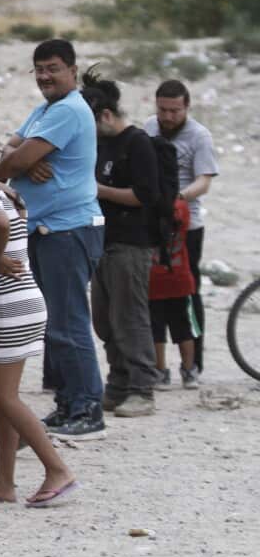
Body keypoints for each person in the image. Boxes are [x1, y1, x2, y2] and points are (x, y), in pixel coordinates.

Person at [0, 124, 79, 508]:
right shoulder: (5, 191)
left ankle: (57, 469)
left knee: (3, 399)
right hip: (18, 306)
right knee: (4, 396)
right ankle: (3, 481)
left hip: (10, 309)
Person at [0, 39, 107, 441]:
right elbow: (11, 145)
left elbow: (13, 160)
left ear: (73, 70)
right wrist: (26, 156)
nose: (44, 76)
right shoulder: (47, 110)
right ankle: (68, 403)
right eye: (39, 69)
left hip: (67, 230)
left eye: (53, 68)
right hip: (46, 230)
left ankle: (88, 409)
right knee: (54, 323)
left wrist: (18, 165)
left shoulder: (69, 110)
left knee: (69, 321)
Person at [82, 76, 160, 418]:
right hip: (103, 242)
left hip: (131, 244)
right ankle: (118, 383)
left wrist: (100, 190)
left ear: (107, 115)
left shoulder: (138, 143)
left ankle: (143, 388)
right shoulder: (101, 145)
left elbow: (145, 197)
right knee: (104, 319)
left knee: (130, 318)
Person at [144, 80, 218, 377]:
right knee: (153, 293)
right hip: (153, 223)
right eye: (163, 109)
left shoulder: (199, 136)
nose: (168, 116)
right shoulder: (149, 128)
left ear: (186, 107)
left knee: (187, 293)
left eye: (174, 110)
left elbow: (204, 181)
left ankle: (193, 363)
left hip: (188, 225)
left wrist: (177, 198)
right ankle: (158, 365)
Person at [148, 197, 199, 390]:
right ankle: (189, 371)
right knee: (184, 327)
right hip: (180, 278)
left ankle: (161, 372)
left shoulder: (148, 207)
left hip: (153, 279)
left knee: (156, 328)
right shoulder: (181, 207)